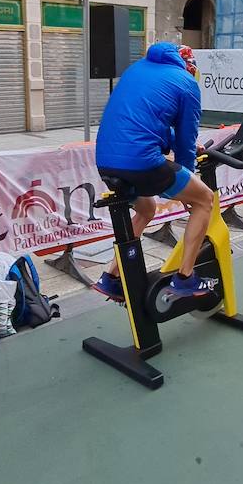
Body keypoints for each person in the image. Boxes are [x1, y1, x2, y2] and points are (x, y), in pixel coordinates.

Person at [92, 42, 217, 303]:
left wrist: (173, 143)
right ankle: (185, 278)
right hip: (141, 163)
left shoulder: (136, 69)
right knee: (204, 199)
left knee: (146, 210)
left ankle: (111, 277)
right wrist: (188, 178)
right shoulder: (186, 82)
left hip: (106, 160)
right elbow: (185, 141)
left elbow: (142, 123)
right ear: (190, 68)